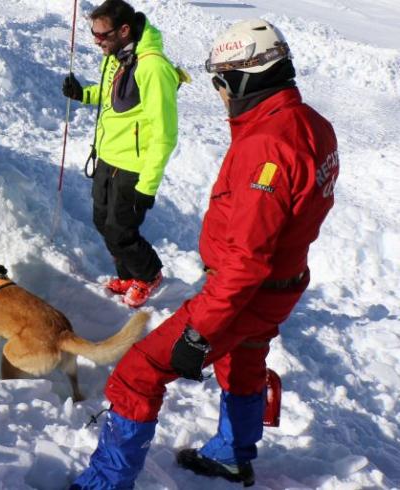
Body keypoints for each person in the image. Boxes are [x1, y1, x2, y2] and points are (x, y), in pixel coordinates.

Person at [70, 18, 339, 489]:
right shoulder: (311, 124)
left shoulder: (267, 146)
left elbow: (245, 261)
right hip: (282, 284)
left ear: (241, 77)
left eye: (220, 81)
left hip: (245, 293)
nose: (219, 93)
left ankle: (104, 484)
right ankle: (231, 455)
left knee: (139, 372)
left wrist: (199, 332)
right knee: (246, 357)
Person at [62, 0, 179, 308]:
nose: (96, 41)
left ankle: (149, 274)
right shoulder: (116, 55)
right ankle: (128, 273)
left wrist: (148, 186)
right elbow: (111, 94)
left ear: (124, 30)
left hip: (134, 165)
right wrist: (82, 94)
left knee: (121, 229)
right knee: (102, 221)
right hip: (107, 156)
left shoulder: (153, 67)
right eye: (93, 33)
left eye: (102, 35)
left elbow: (165, 134)